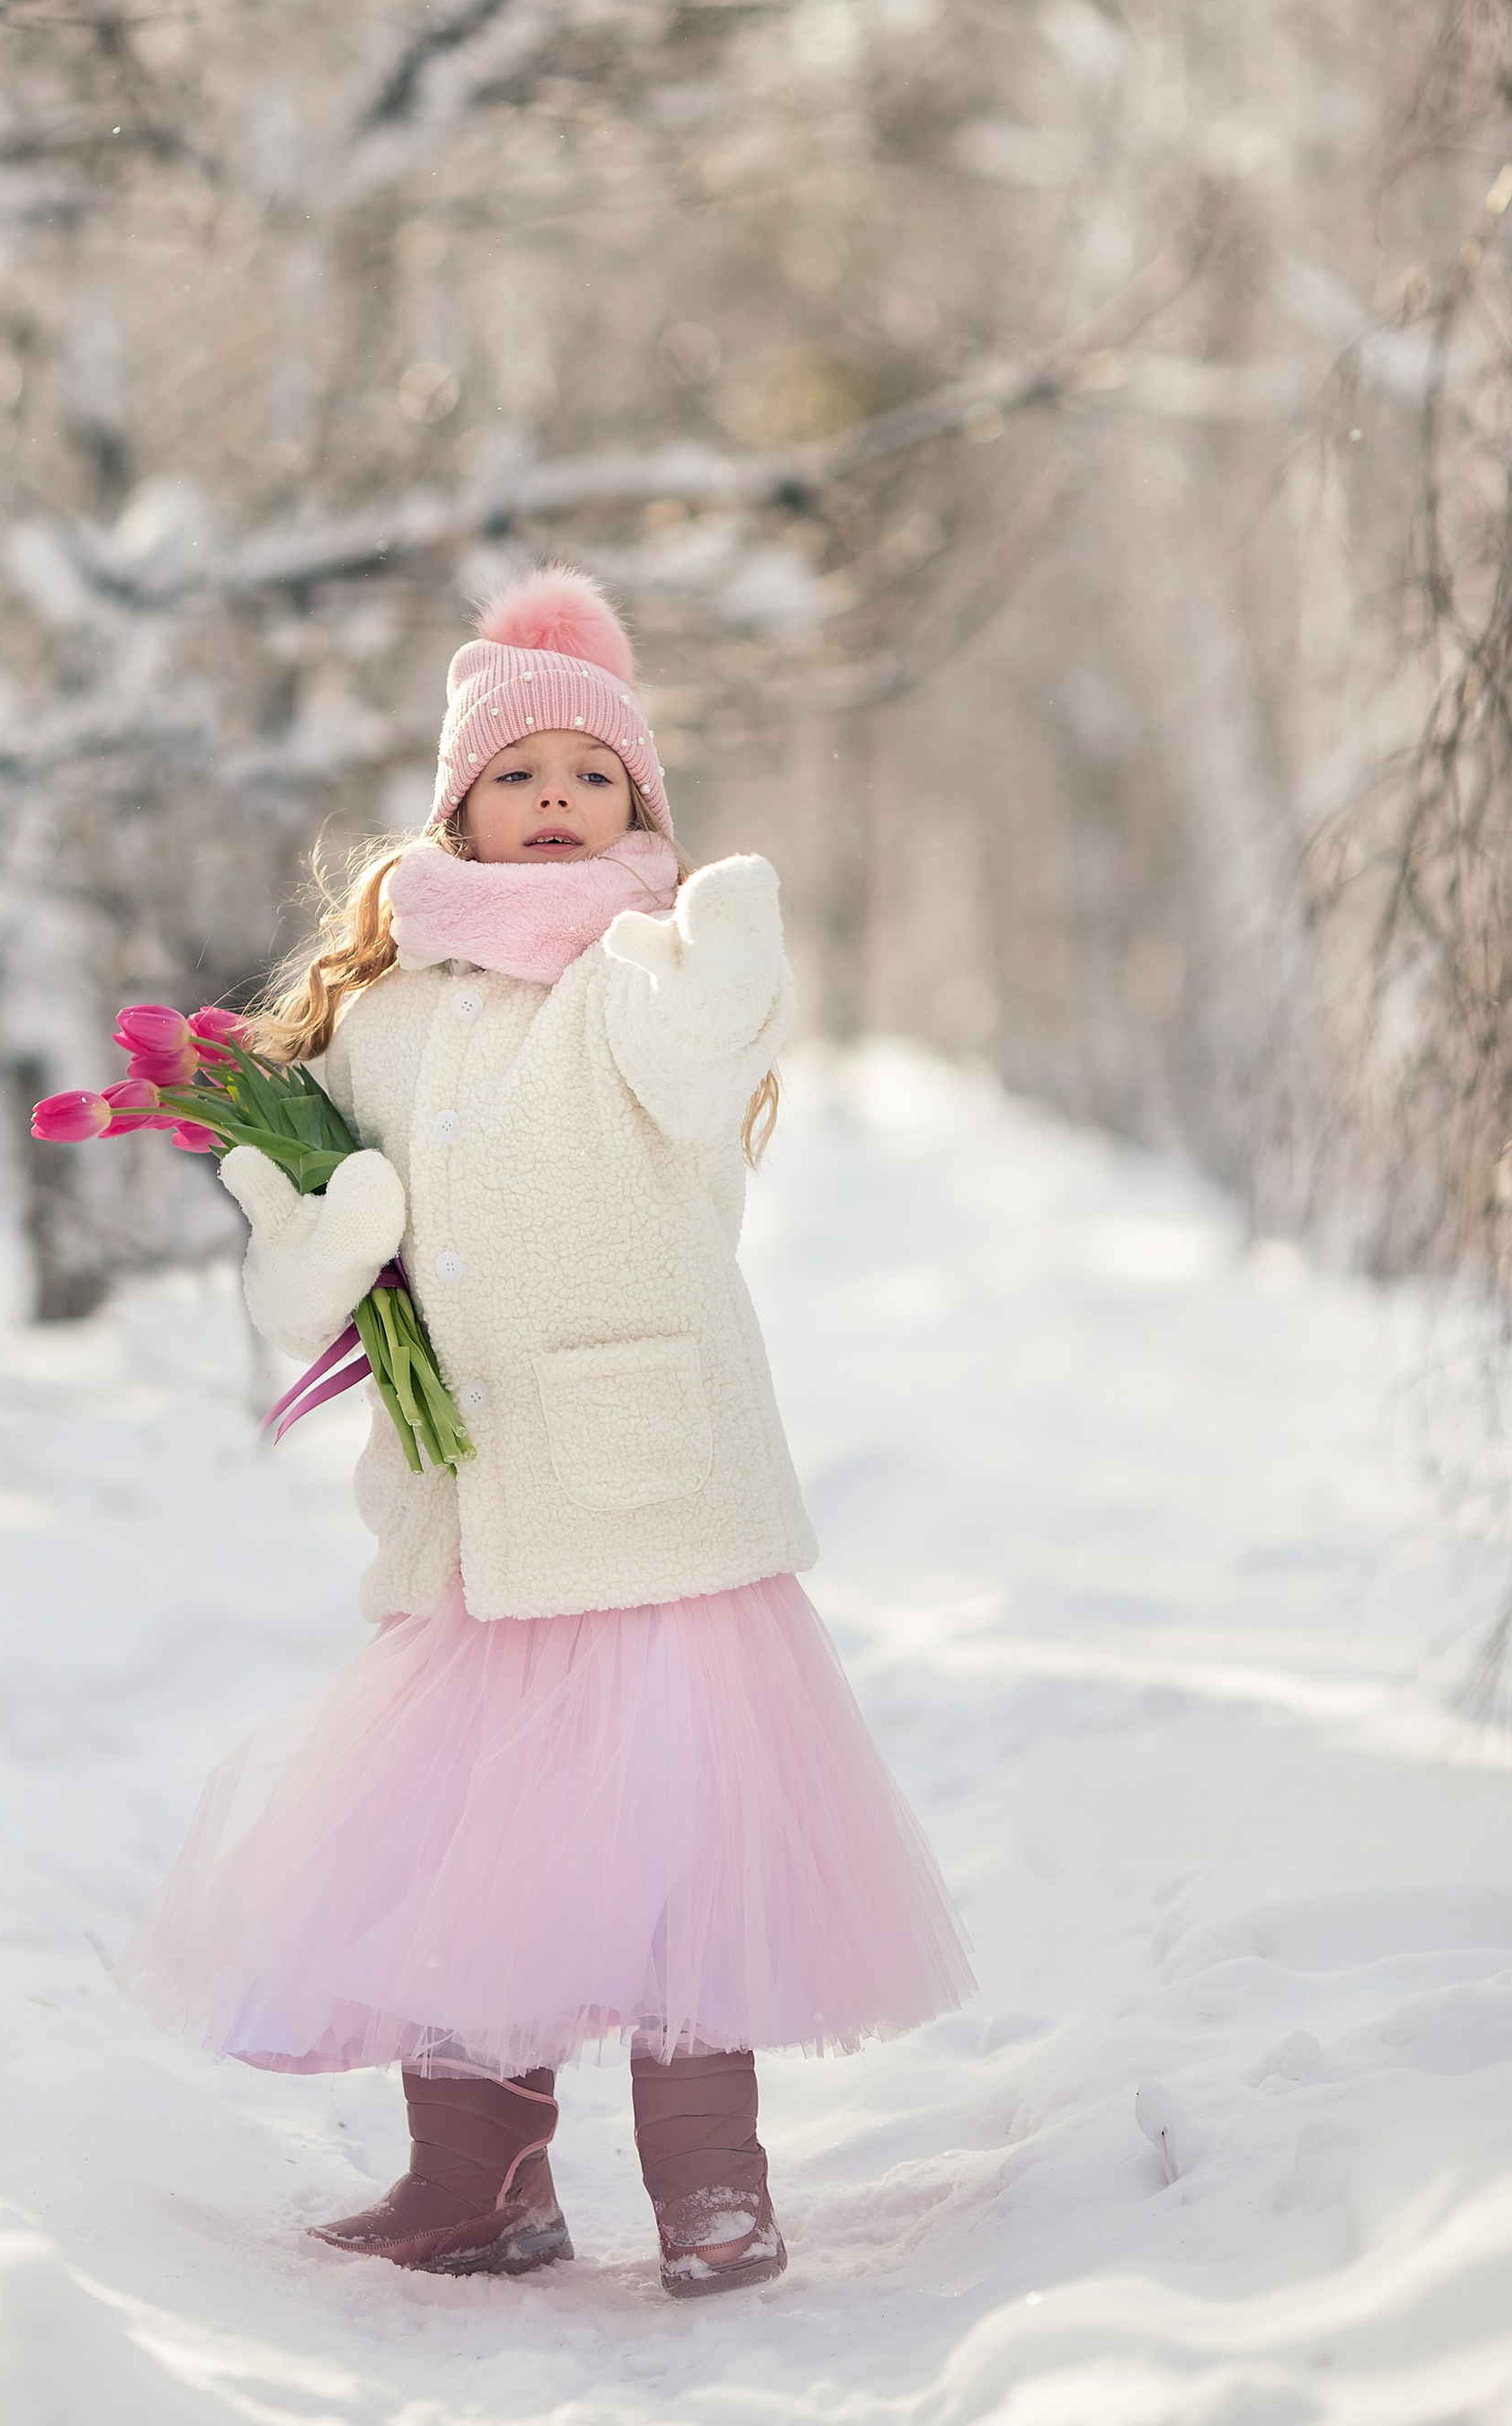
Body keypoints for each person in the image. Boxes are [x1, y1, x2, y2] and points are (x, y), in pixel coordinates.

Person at [118, 568, 973, 2295]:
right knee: (463, 1858)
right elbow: (325, 1228)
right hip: (474, 1493)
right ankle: (476, 2182)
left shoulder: (641, 969)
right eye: (523, 774)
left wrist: (730, 961)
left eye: (597, 775)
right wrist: (317, 1239)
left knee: (680, 1861)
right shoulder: (384, 1007)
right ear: (458, 803)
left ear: (639, 808)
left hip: (651, 1492)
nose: (560, 799)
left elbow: (690, 1067)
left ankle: (713, 2185)